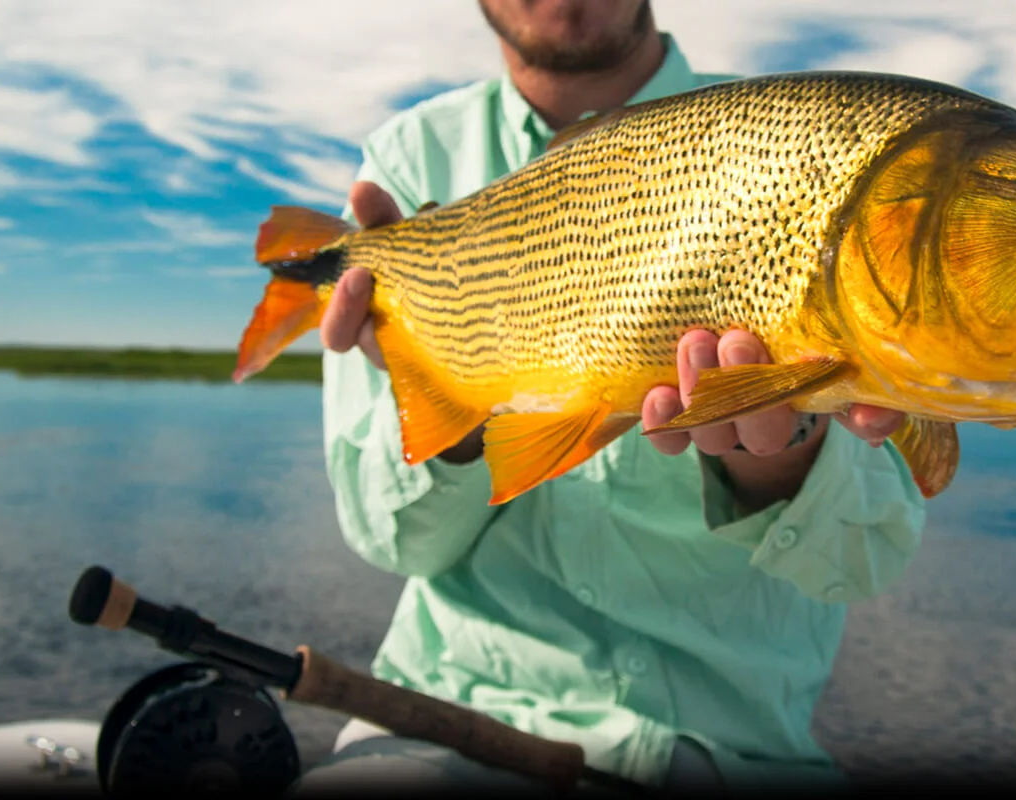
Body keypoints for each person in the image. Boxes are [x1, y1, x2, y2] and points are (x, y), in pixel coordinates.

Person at [293, 1, 927, 795]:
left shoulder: (817, 139)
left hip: (731, 752)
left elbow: (868, 556)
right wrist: (448, 393)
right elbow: (394, 544)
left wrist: (780, 459)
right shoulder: (409, 157)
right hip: (441, 720)